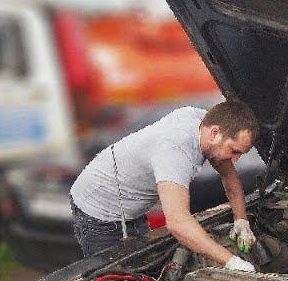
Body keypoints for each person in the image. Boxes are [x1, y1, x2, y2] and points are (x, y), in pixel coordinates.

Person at [69, 99, 260, 271]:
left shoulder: (206, 124)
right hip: (98, 211)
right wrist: (231, 262)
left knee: (146, 269)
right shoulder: (175, 151)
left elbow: (230, 177)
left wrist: (241, 220)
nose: (235, 160)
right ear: (214, 133)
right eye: (234, 151)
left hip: (130, 206)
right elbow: (178, 223)